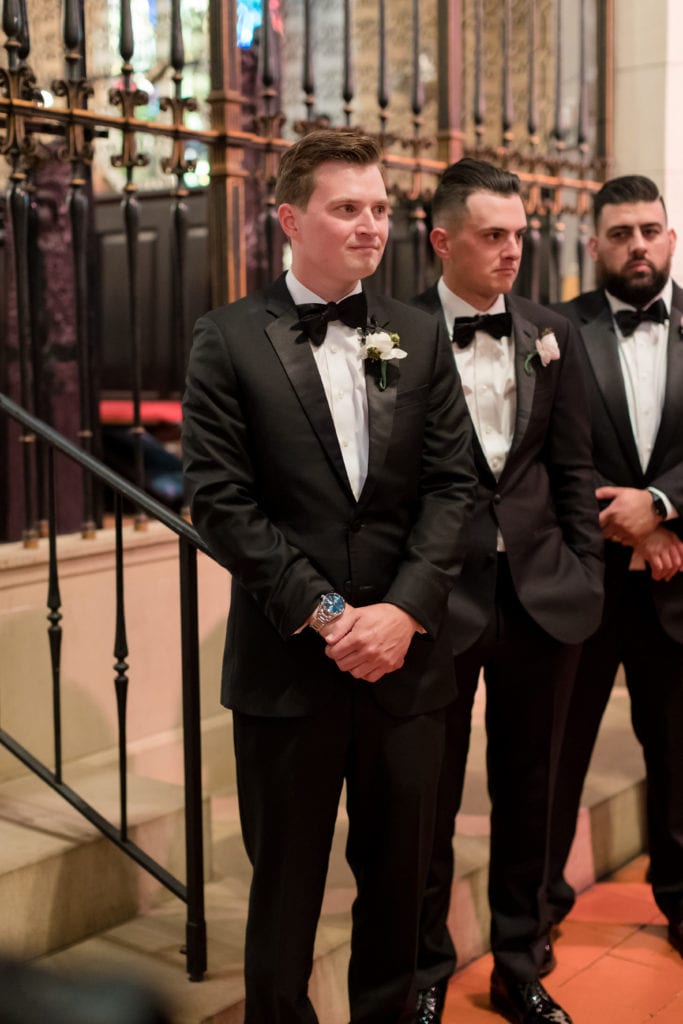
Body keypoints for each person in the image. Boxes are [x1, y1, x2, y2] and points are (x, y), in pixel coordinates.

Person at [181, 128, 477, 1024]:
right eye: (346, 208)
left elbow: (453, 487)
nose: (370, 226)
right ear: (288, 219)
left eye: (380, 209)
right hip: (289, 671)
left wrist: (403, 613)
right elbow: (221, 501)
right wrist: (326, 613)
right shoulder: (228, 338)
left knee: (399, 893)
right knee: (285, 898)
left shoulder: (417, 336)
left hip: (405, 668)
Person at [411, 158, 604, 1024]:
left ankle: (518, 963)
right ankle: (422, 973)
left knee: (532, 788)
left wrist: (586, 573)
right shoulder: (395, 331)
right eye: (492, 236)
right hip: (435, 604)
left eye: (518, 235)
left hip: (541, 597)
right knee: (429, 799)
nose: (511, 252)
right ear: (442, 240)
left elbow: (572, 466)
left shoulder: (548, 330)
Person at [546, 174, 683, 961]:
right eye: (620, 231)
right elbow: (547, 457)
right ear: (593, 244)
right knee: (555, 757)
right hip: (582, 582)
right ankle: (534, 911)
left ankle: (681, 902)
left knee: (676, 757)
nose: (637, 244)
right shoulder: (555, 330)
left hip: (676, 578)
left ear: (669, 238)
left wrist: (661, 509)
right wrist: (627, 529)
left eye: (650, 229)